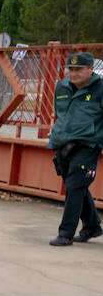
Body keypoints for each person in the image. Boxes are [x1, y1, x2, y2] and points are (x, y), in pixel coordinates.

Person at [46, 52, 103, 246]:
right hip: (64, 144)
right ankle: (92, 226)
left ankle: (66, 233)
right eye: (71, 69)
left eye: (79, 69)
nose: (74, 73)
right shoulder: (61, 87)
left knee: (75, 185)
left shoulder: (100, 88)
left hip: (88, 144)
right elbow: (59, 114)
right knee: (75, 184)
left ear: (90, 69)